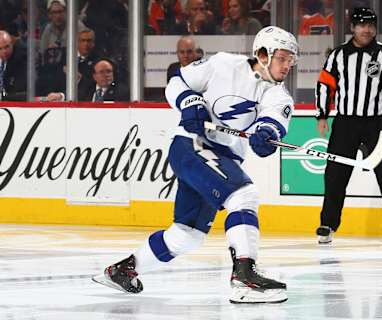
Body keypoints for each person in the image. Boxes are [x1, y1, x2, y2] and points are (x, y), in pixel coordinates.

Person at [92, 26, 298, 304]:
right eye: (282, 58)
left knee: (186, 236)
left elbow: (272, 121)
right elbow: (178, 81)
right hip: (192, 145)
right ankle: (245, 277)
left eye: (291, 60)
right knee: (243, 195)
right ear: (262, 54)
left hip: (222, 158)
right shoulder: (223, 63)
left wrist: (267, 134)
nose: (287, 66)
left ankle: (123, 270)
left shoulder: (280, 96)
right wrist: (189, 103)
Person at [315, 8, 382, 245]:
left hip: (377, 123)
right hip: (345, 122)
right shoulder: (337, 55)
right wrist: (322, 115)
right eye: (361, 25)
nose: (366, 30)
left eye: (370, 25)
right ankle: (328, 224)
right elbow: (325, 85)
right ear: (352, 28)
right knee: (335, 175)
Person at [0, 30, 27, 101]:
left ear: (12, 43)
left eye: (7, 47)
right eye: (0, 49)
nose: (4, 51)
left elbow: (19, 90)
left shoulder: (21, 59)